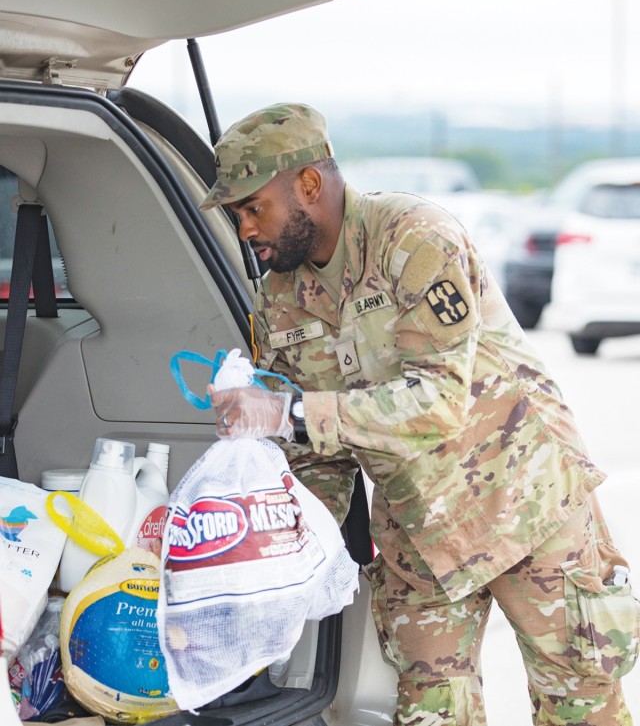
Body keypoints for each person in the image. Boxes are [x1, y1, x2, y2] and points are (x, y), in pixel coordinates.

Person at [199, 103, 639, 726]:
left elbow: (434, 404)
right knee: (429, 712)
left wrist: (288, 411)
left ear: (307, 186)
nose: (245, 229)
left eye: (252, 208)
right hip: (419, 525)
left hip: (524, 501)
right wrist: (280, 549)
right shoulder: (280, 299)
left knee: (579, 702)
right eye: (238, 215)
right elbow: (317, 458)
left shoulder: (413, 236)